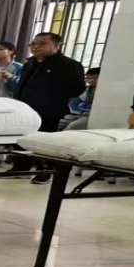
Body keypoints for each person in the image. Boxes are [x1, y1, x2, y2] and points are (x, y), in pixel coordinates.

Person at [8, 32, 86, 184]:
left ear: (56, 46)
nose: (36, 47)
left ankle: (45, 170)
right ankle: (21, 167)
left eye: (42, 43)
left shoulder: (68, 64)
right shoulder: (30, 63)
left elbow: (77, 89)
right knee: (21, 138)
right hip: (24, 108)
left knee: (43, 141)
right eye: (33, 44)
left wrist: (53, 93)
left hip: (49, 110)